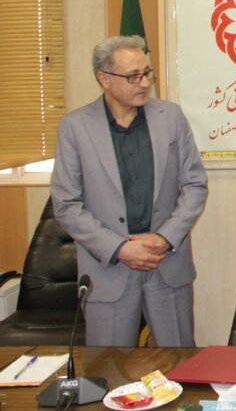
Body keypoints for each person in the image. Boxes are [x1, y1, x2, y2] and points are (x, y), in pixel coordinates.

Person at [50, 35, 208, 346]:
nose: (144, 83)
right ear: (104, 79)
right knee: (109, 367)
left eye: (146, 73)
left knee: (179, 362)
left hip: (166, 264)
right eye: (133, 76)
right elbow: (67, 204)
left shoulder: (171, 117)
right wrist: (120, 248)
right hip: (109, 270)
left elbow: (195, 184)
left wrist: (165, 238)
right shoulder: (75, 127)